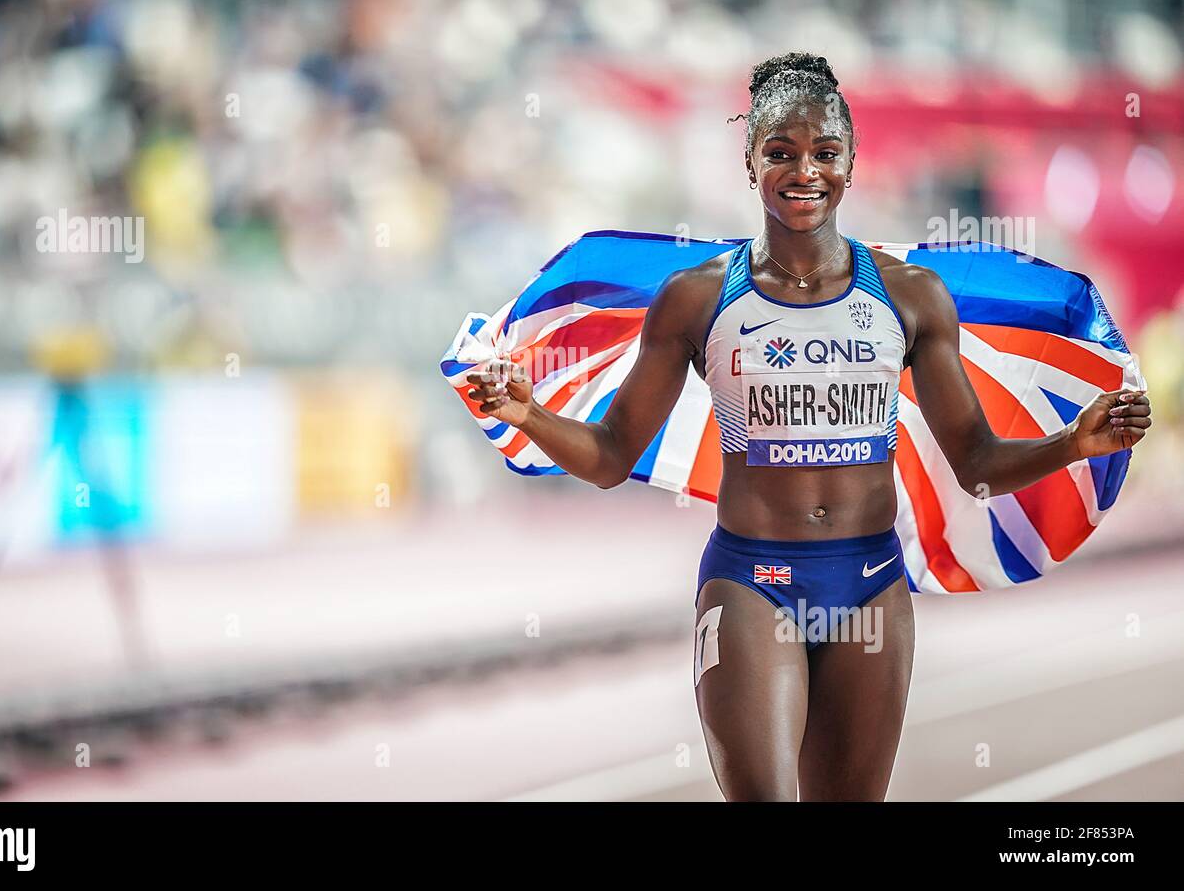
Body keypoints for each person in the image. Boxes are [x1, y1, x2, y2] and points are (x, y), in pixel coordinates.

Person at [465, 52, 1152, 801]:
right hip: (751, 582)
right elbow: (609, 457)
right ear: (750, 160)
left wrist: (1074, 444)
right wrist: (527, 413)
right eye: (781, 153)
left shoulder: (912, 297)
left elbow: (977, 463)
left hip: (870, 587)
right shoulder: (696, 300)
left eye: (825, 153)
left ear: (852, 164)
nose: (805, 172)